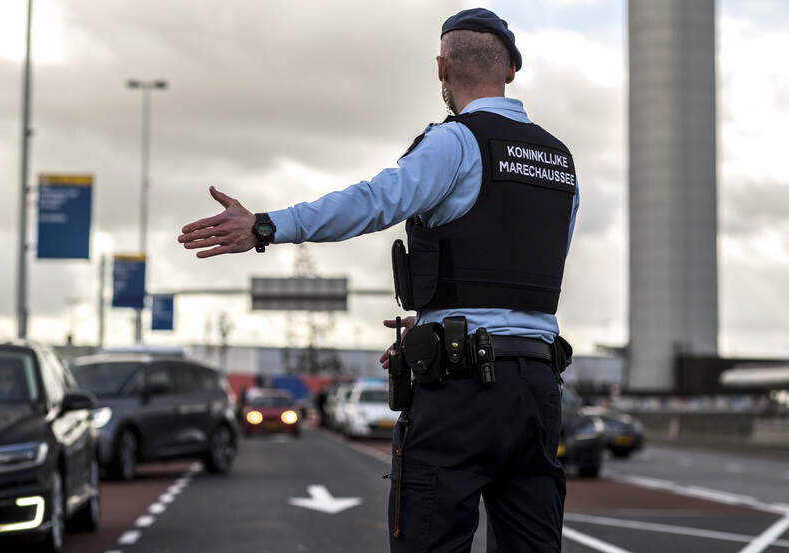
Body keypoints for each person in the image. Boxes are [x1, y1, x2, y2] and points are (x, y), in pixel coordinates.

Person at [178, 7, 579, 552]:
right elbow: (517, 274)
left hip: (460, 392)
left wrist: (266, 226)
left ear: (441, 68)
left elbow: (372, 202)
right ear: (511, 68)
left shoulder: (455, 143)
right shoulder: (561, 162)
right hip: (537, 389)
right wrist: (435, 318)